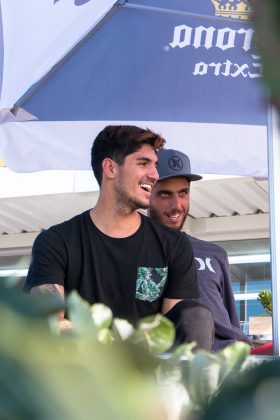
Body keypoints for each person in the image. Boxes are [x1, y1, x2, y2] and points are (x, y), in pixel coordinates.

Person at [24, 125, 214, 350]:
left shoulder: (173, 244)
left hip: (149, 373)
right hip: (79, 372)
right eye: (143, 163)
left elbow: (182, 325)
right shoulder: (56, 241)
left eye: (154, 165)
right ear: (110, 168)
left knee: (197, 315)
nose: (154, 174)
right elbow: (49, 322)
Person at [149, 148, 251, 351]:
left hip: (228, 361)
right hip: (176, 363)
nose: (176, 205)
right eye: (164, 194)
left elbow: (231, 322)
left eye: (183, 193)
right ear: (147, 194)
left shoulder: (214, 254)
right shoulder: (134, 251)